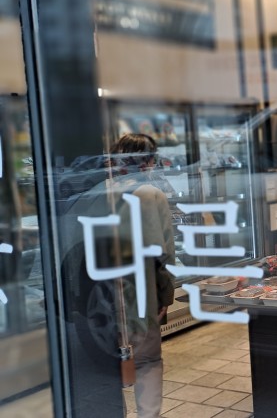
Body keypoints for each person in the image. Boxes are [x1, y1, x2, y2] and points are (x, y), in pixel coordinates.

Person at [108, 133, 176, 418]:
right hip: (139, 293)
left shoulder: (100, 191)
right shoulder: (149, 194)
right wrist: (165, 295)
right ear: (148, 161)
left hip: (103, 297)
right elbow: (160, 253)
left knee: (108, 365)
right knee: (147, 360)